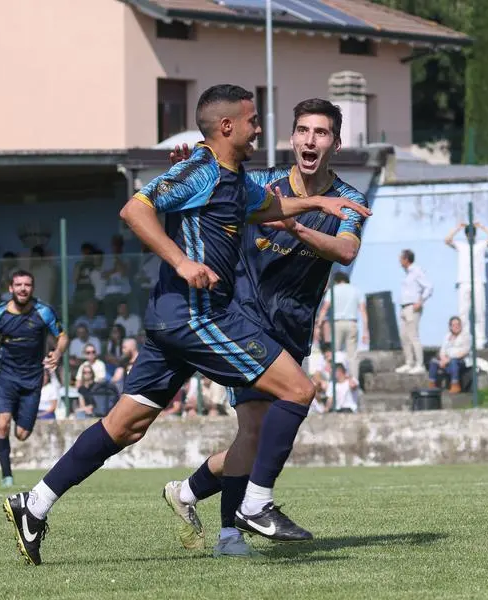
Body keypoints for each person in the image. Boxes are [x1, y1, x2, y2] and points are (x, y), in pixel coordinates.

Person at [3, 86, 365, 566]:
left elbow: (266, 208)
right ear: (228, 126)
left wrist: (322, 208)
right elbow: (135, 209)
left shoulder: (235, 178)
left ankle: (35, 504)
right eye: (254, 120)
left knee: (125, 426)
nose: (261, 128)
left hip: (175, 321)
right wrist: (180, 260)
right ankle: (254, 505)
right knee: (298, 390)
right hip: (199, 315)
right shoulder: (203, 168)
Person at [160, 98, 370, 557]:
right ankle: (236, 529)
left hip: (293, 327)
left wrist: (295, 228)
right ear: (292, 138)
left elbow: (346, 250)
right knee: (255, 427)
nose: (309, 140)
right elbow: (213, 182)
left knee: (252, 439)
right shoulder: (259, 184)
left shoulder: (349, 199)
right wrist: (187, 168)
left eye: (320, 133)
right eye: (302, 131)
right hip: (245, 318)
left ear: (336, 142)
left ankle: (188, 493)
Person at [0, 269, 66, 489]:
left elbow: (62, 336)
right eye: (18, 285)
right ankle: (6, 475)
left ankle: (20, 420)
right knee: (1, 425)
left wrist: (57, 353)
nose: (23, 289)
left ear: (32, 288)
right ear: (10, 288)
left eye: (27, 285)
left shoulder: (44, 312)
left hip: (32, 380)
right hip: (7, 378)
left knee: (21, 435)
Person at [445, 221, 488, 348]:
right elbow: (447, 240)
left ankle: (480, 339)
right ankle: (465, 339)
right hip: (464, 282)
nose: (471, 236)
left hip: (479, 282)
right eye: (469, 234)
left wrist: (482, 226)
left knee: (480, 311)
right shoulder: (460, 245)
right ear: (466, 235)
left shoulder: (481, 245)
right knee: (463, 312)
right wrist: (458, 227)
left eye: (473, 233)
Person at [427, 316, 470, 393]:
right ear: (450, 327)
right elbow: (442, 350)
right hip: (447, 360)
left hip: (460, 361)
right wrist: (443, 359)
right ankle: (432, 384)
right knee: (433, 361)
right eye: (454, 325)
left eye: (458, 324)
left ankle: (455, 385)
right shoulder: (447, 336)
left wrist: (448, 360)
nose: (456, 326)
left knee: (453, 361)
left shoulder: (465, 336)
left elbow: (465, 351)